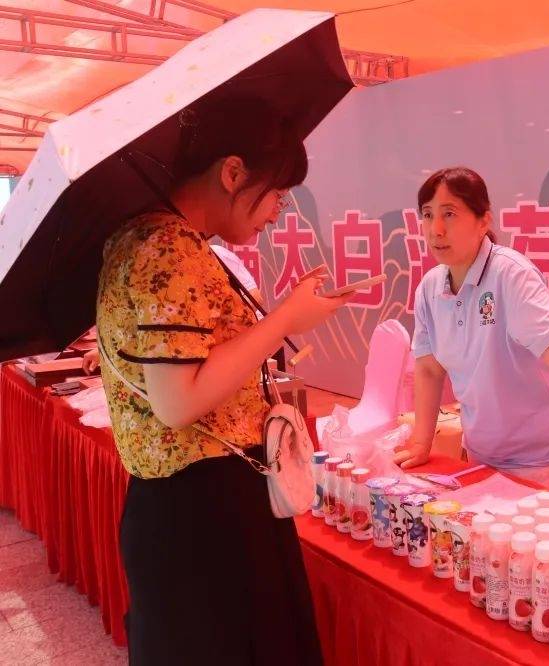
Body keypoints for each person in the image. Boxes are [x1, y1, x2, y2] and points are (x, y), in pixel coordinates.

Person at [95, 94, 348, 664]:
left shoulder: (150, 238)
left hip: (191, 504)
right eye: (277, 193)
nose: (278, 211)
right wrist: (285, 319)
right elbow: (177, 402)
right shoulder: (168, 248)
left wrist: (286, 316)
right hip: (203, 510)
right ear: (232, 172)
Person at [393, 167, 549, 495]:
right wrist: (422, 442)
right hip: (483, 448)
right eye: (427, 215)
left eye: (449, 214)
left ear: (483, 221)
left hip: (541, 454)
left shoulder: (510, 274)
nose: (436, 229)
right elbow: (428, 368)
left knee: (538, 529)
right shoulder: (429, 288)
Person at [83, 244, 259, 375]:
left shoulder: (215, 254)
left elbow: (254, 298)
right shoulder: (158, 265)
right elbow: (152, 331)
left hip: (225, 359)